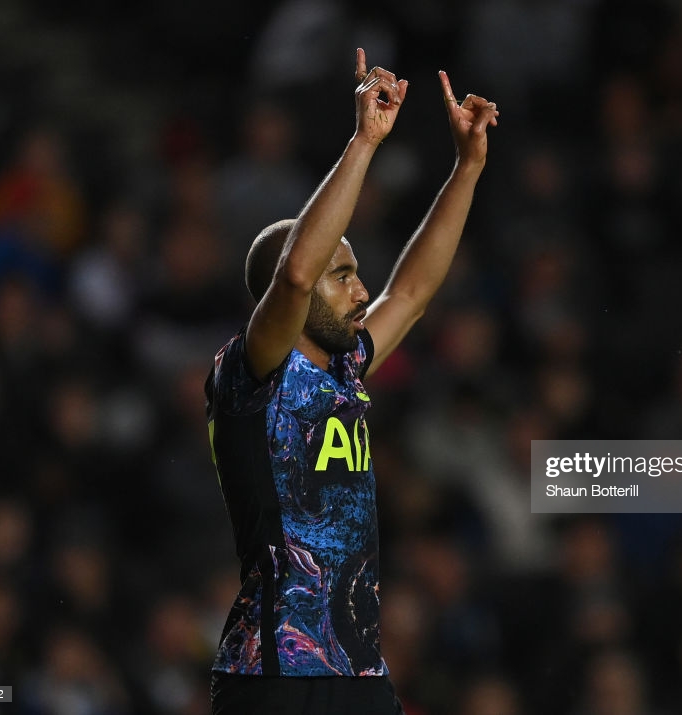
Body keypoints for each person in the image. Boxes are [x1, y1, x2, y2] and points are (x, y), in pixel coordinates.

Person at [205, 48, 499, 715]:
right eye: (345, 275)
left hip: (358, 669)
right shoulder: (251, 373)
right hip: (271, 671)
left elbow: (416, 290)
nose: (364, 290)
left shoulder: (346, 365)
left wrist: (468, 166)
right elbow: (296, 273)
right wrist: (364, 142)